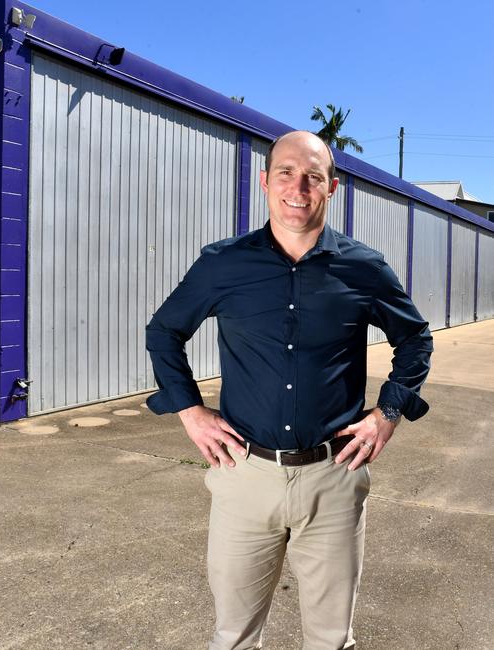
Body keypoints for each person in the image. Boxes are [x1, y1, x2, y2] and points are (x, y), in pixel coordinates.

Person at [145, 130, 433, 649]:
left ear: (331, 188)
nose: (297, 187)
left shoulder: (364, 268)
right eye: (285, 172)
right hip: (243, 475)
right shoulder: (223, 264)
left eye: (313, 177)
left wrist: (387, 412)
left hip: (334, 478)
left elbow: (414, 339)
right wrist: (189, 409)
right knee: (232, 636)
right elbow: (164, 331)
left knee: (330, 639)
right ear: (265, 181)